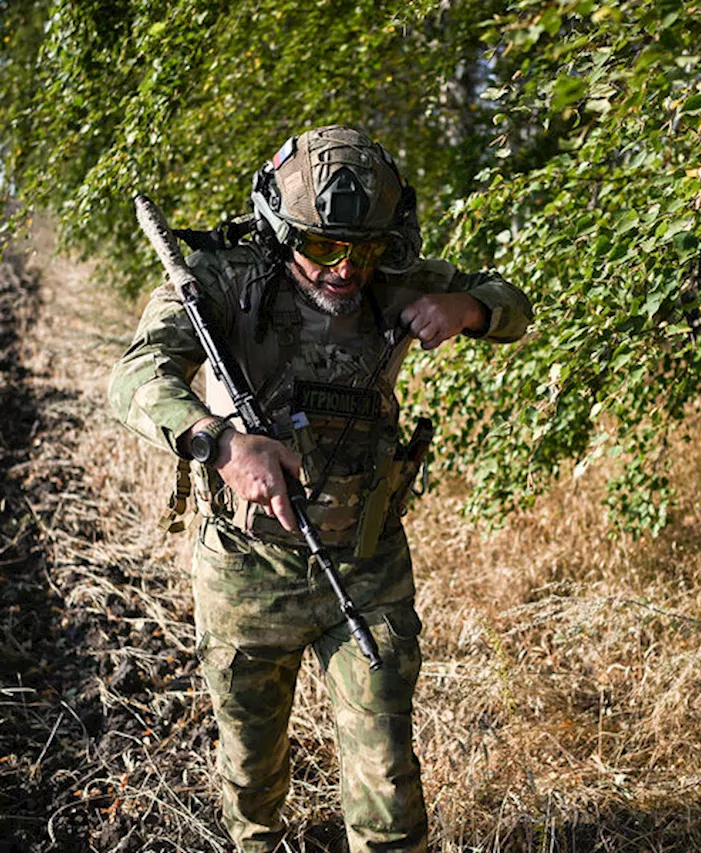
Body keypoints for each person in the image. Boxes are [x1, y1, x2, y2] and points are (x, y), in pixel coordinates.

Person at [108, 125, 533, 853]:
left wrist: (465, 309)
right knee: (251, 773)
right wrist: (222, 443)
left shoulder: (391, 280)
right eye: (323, 248)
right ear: (279, 231)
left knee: (388, 777)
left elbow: (513, 304)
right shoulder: (221, 281)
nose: (345, 269)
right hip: (249, 570)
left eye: (363, 250)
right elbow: (135, 377)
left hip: (367, 566)